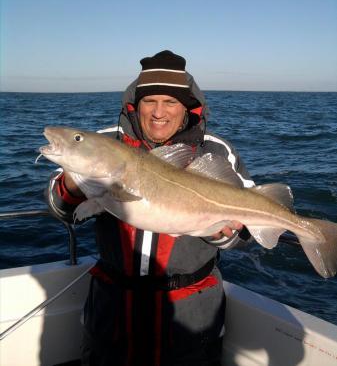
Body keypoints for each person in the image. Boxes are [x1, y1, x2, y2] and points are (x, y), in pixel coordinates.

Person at [46, 50, 254, 366]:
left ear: (187, 107)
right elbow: (59, 208)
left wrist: (222, 234)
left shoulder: (216, 150)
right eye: (150, 101)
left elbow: (246, 232)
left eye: (170, 102)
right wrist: (76, 181)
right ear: (135, 104)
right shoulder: (103, 144)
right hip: (112, 315)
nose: (159, 112)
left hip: (189, 317)